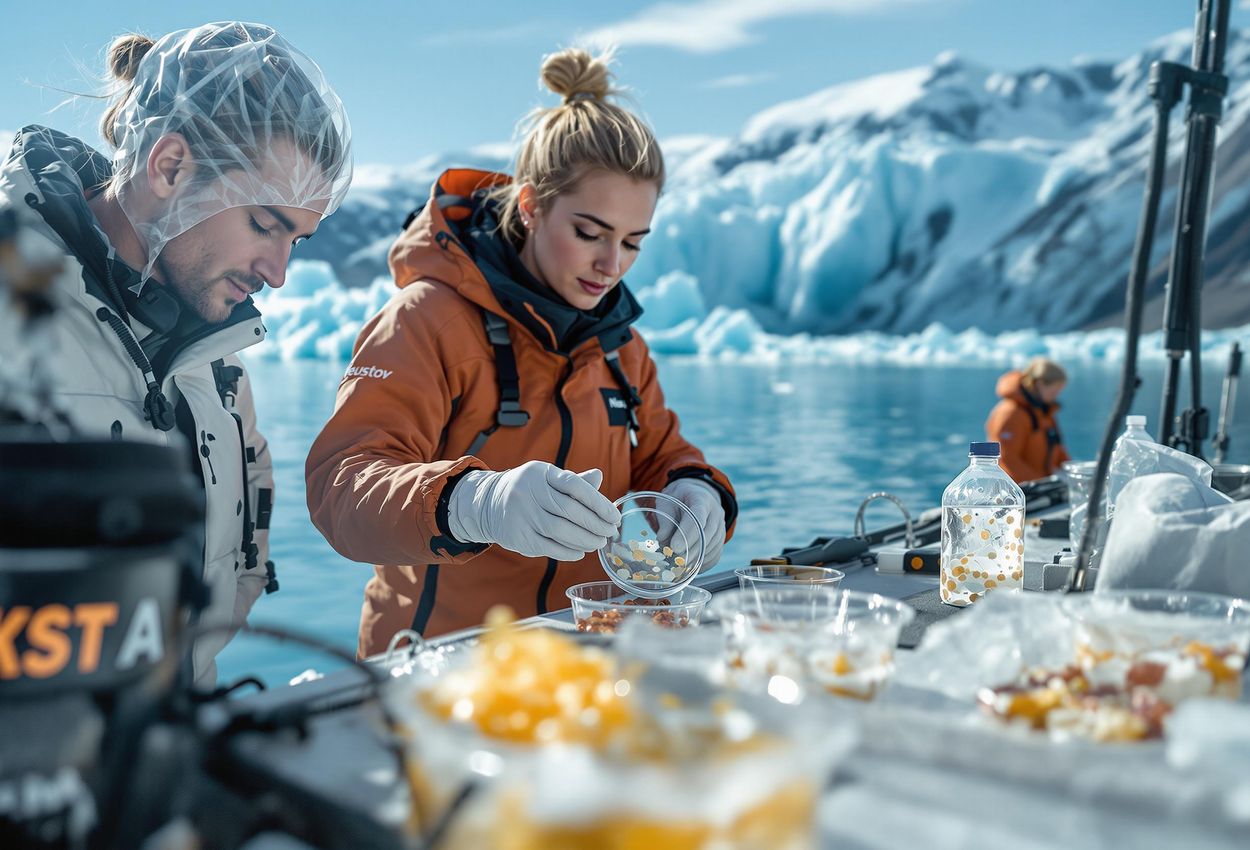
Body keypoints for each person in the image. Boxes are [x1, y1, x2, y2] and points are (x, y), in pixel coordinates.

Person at [306, 48, 737, 654]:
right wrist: (474, 503)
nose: (611, 266)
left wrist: (698, 491)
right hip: (441, 671)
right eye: (589, 233)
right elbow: (342, 489)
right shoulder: (426, 320)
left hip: (584, 662)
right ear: (532, 206)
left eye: (633, 242)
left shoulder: (622, 348)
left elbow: (663, 454)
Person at [0, 22, 353, 686]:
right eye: (264, 223)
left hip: (164, 758)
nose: (278, 273)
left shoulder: (217, 358)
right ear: (170, 166)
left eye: (297, 241)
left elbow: (239, 569)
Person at [986, 356, 1071, 483]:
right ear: (1040, 384)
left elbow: (1057, 449)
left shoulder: (1044, 412)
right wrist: (1037, 485)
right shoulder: (1011, 413)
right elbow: (1006, 458)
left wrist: (1072, 472)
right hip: (1016, 492)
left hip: (1041, 488)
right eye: (1054, 391)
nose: (1056, 396)